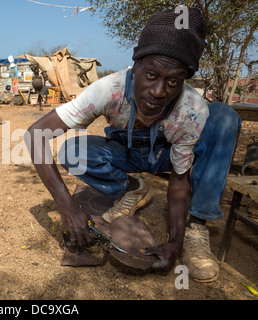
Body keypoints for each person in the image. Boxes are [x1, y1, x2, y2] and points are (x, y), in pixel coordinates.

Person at [25, 8, 242, 283]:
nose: (158, 91)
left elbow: (178, 181)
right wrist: (67, 206)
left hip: (167, 156)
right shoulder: (108, 90)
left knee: (224, 116)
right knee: (73, 151)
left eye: (173, 81)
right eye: (151, 75)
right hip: (126, 153)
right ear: (136, 64)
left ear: (184, 79)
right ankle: (131, 188)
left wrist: (174, 241)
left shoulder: (192, 109)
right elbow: (35, 134)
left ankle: (195, 228)